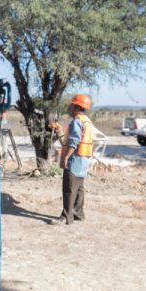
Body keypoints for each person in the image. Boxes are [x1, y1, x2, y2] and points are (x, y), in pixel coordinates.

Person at [50, 93, 94, 225]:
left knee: (69, 188)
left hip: (74, 159)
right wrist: (60, 131)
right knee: (79, 188)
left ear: (76, 106)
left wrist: (65, 158)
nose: (69, 108)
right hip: (84, 159)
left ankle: (65, 217)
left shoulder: (77, 121)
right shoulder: (87, 121)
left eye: (71, 105)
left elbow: (73, 142)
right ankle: (78, 213)